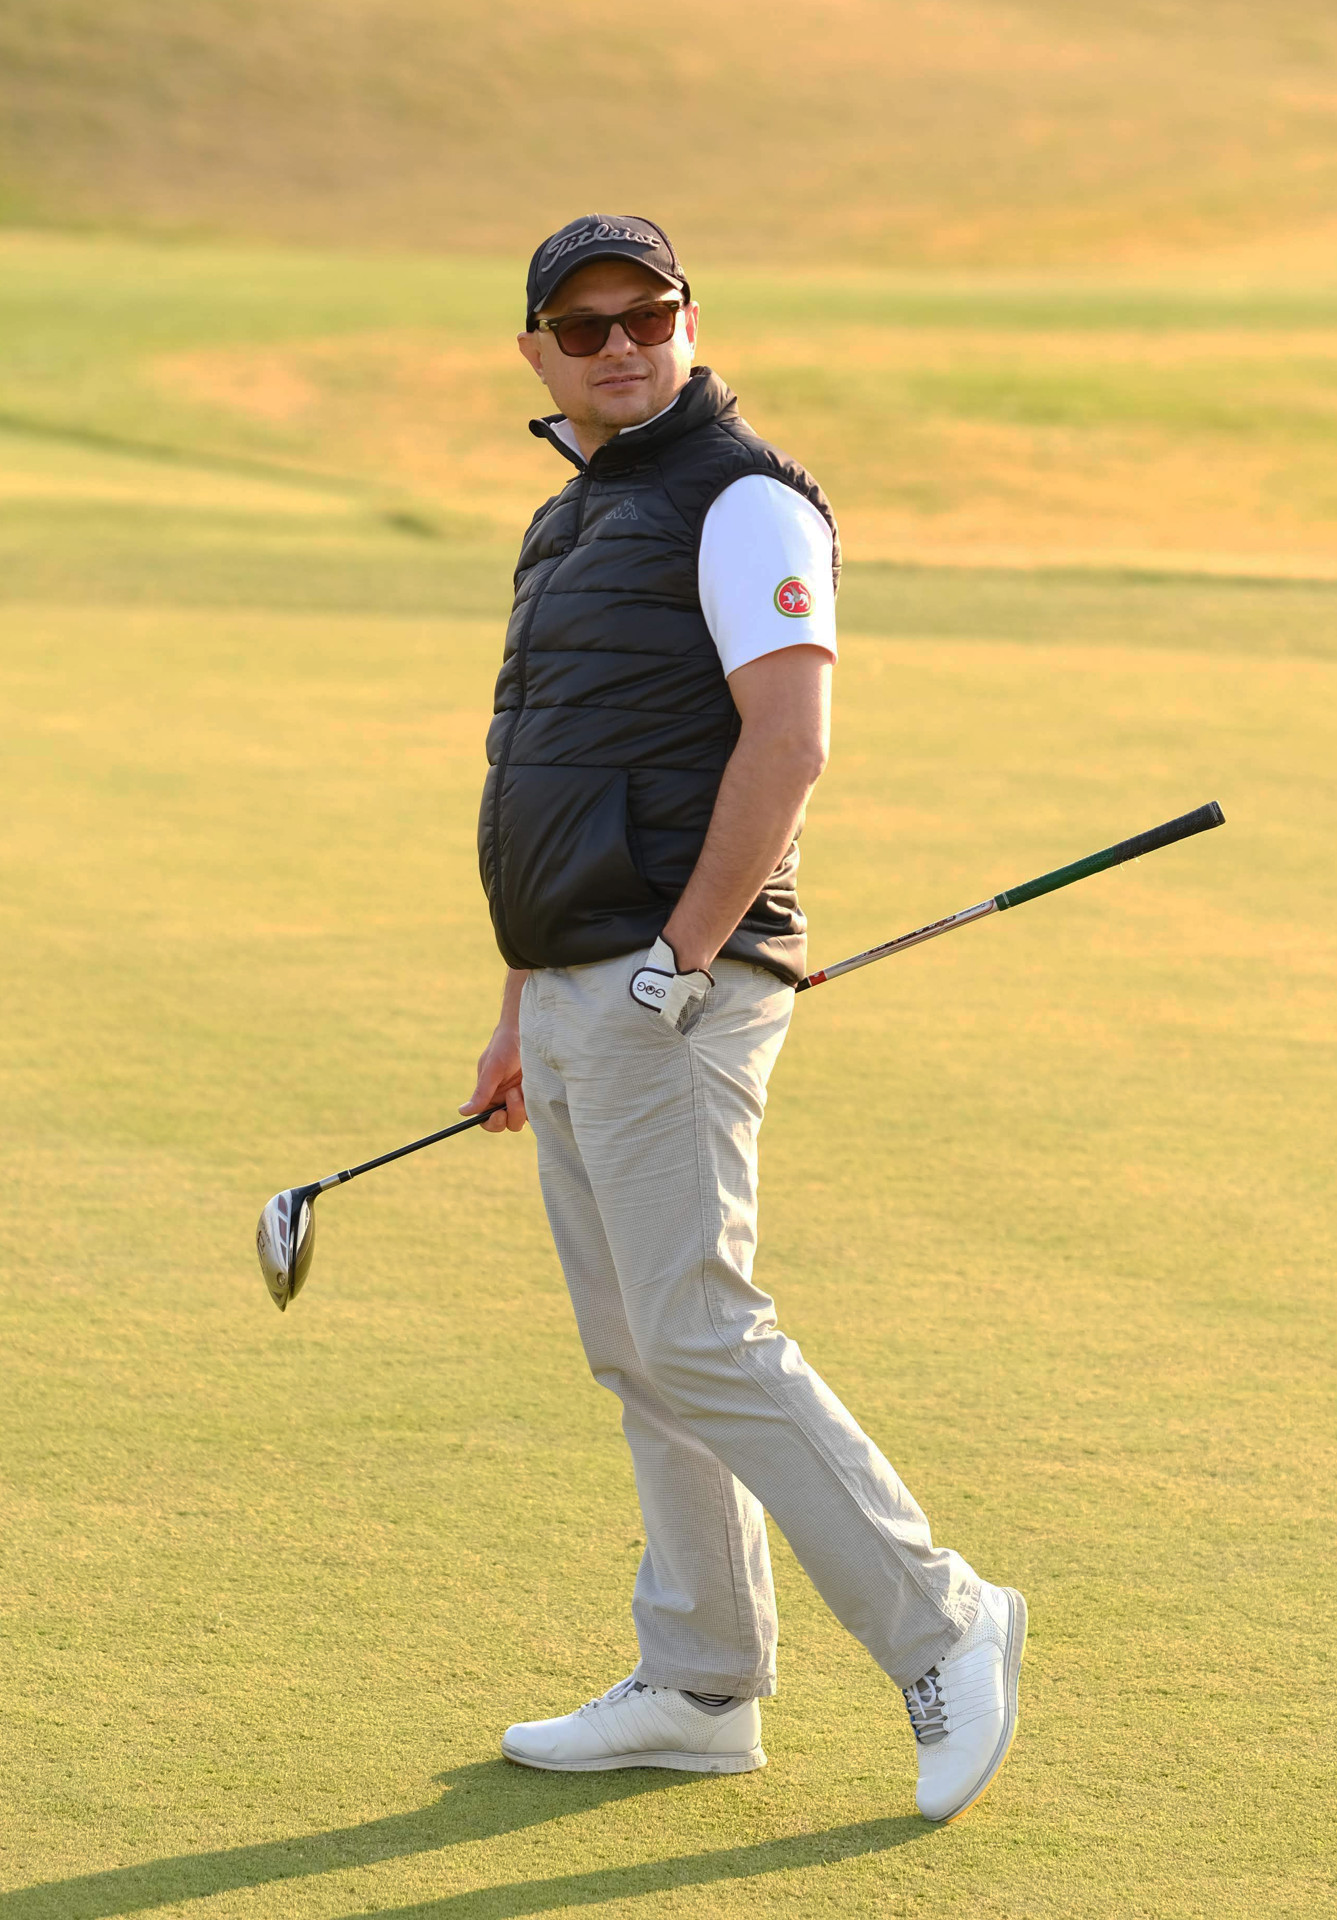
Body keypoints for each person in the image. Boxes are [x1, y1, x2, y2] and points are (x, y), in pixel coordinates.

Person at [461, 214, 1025, 1823]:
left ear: (689, 325)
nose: (619, 345)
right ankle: (702, 1686)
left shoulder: (741, 497)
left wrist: (680, 954)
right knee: (641, 1350)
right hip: (576, 978)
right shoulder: (570, 519)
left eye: (647, 315)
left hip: (672, 982)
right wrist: (520, 1002)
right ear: (536, 352)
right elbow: (550, 769)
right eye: (584, 326)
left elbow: (787, 741)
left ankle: (943, 1620)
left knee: (698, 1329)